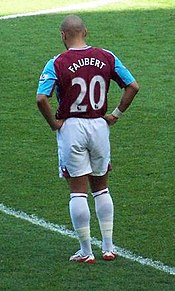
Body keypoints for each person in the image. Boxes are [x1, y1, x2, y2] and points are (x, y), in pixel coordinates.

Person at [36, 15, 139, 264]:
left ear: (63, 35)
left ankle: (86, 251)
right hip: (99, 126)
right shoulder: (107, 56)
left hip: (72, 128)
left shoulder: (57, 62)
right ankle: (108, 247)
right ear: (86, 31)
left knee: (78, 192)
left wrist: (53, 124)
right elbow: (133, 86)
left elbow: (41, 98)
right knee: (101, 188)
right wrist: (114, 115)